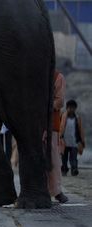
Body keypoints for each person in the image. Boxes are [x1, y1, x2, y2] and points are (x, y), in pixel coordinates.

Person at [49, 71, 68, 203]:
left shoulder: (58, 77)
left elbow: (60, 101)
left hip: (51, 125)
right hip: (35, 126)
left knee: (54, 159)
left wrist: (43, 106)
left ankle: (56, 191)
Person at [60, 99, 84, 176]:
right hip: (64, 142)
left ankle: (74, 169)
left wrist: (81, 141)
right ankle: (64, 169)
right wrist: (60, 138)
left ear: (75, 108)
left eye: (73, 108)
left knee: (73, 158)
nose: (71, 109)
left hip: (74, 142)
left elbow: (80, 130)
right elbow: (60, 128)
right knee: (64, 158)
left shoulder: (77, 118)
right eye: (70, 108)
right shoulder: (63, 117)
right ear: (67, 108)